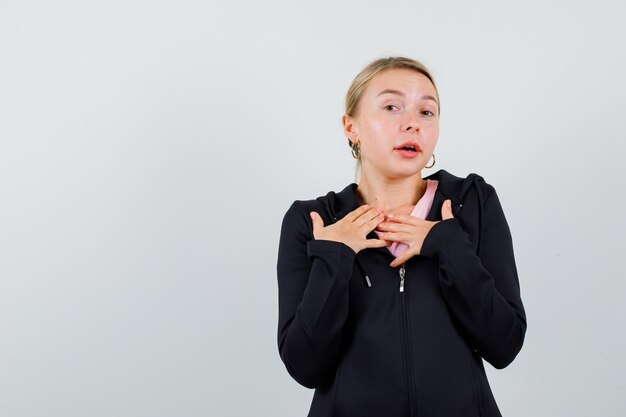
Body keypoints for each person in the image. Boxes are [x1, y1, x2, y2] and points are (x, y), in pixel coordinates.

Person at [276, 56, 526, 417]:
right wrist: (335, 255)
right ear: (351, 127)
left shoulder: (471, 203)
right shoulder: (314, 221)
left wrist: (447, 245)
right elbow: (304, 366)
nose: (412, 124)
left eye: (427, 112)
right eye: (392, 107)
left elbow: (505, 344)